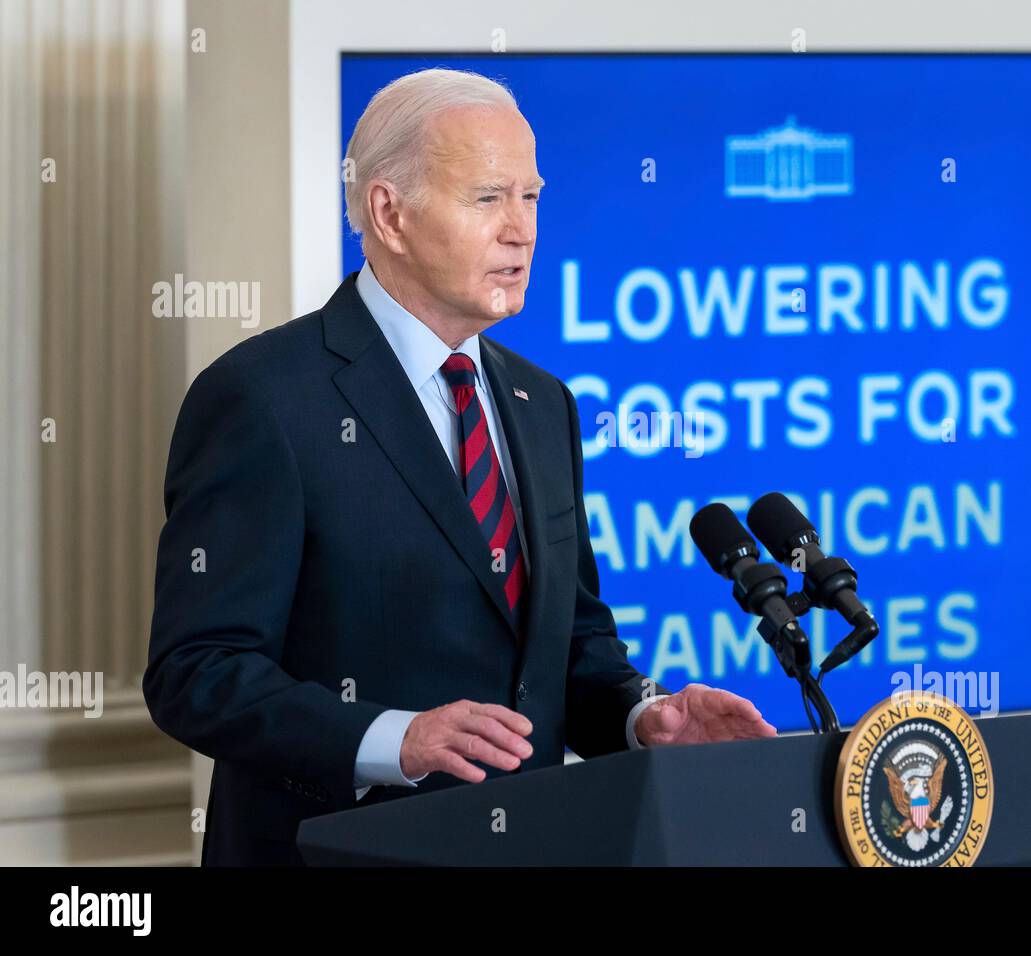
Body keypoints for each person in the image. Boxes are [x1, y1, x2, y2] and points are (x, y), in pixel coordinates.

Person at [143, 67, 776, 866]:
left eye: (532, 197)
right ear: (389, 213)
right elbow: (196, 673)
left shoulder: (541, 402)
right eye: (488, 199)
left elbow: (572, 646)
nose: (523, 230)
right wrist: (393, 739)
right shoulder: (263, 399)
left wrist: (640, 717)